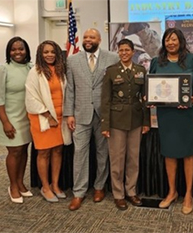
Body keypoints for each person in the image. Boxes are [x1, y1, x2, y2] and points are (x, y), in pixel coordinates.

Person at [149, 27, 193, 215]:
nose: (170, 43)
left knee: (189, 153)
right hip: (166, 115)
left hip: (186, 114)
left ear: (181, 41)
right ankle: (172, 192)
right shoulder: (157, 61)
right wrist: (150, 99)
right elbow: (152, 86)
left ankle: (188, 194)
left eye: (174, 39)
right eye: (167, 39)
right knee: (169, 153)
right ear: (164, 42)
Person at [64, 28, 119, 211]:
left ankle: (99, 187)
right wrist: (69, 113)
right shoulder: (72, 60)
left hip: (104, 114)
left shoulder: (112, 58)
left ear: (99, 40)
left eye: (92, 37)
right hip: (80, 114)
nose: (88, 40)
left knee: (103, 152)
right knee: (79, 153)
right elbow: (70, 89)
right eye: (86, 37)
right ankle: (78, 192)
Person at [100, 39, 150, 210]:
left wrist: (146, 121)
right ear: (118, 52)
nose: (124, 53)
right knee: (117, 160)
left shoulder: (140, 70)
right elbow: (105, 100)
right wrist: (105, 125)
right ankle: (118, 194)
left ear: (133, 52)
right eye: (121, 50)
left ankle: (131, 191)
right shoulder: (111, 71)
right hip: (116, 122)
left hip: (136, 121)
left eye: (127, 50)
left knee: (133, 160)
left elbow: (145, 99)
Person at [25, 40, 72, 203]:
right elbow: (31, 99)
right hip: (43, 118)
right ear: (40, 54)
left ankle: (55, 184)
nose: (49, 55)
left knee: (58, 151)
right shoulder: (35, 72)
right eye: (46, 52)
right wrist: (48, 116)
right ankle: (45, 187)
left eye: (52, 52)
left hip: (61, 118)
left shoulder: (61, 71)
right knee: (44, 152)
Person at [0, 37, 33, 204]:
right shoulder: (2, 70)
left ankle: (21, 183)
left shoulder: (31, 67)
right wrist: (5, 122)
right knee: (14, 152)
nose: (17, 52)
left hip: (27, 118)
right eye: (14, 49)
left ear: (26, 51)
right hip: (9, 118)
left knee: (23, 150)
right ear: (8, 52)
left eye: (21, 49)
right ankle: (13, 186)